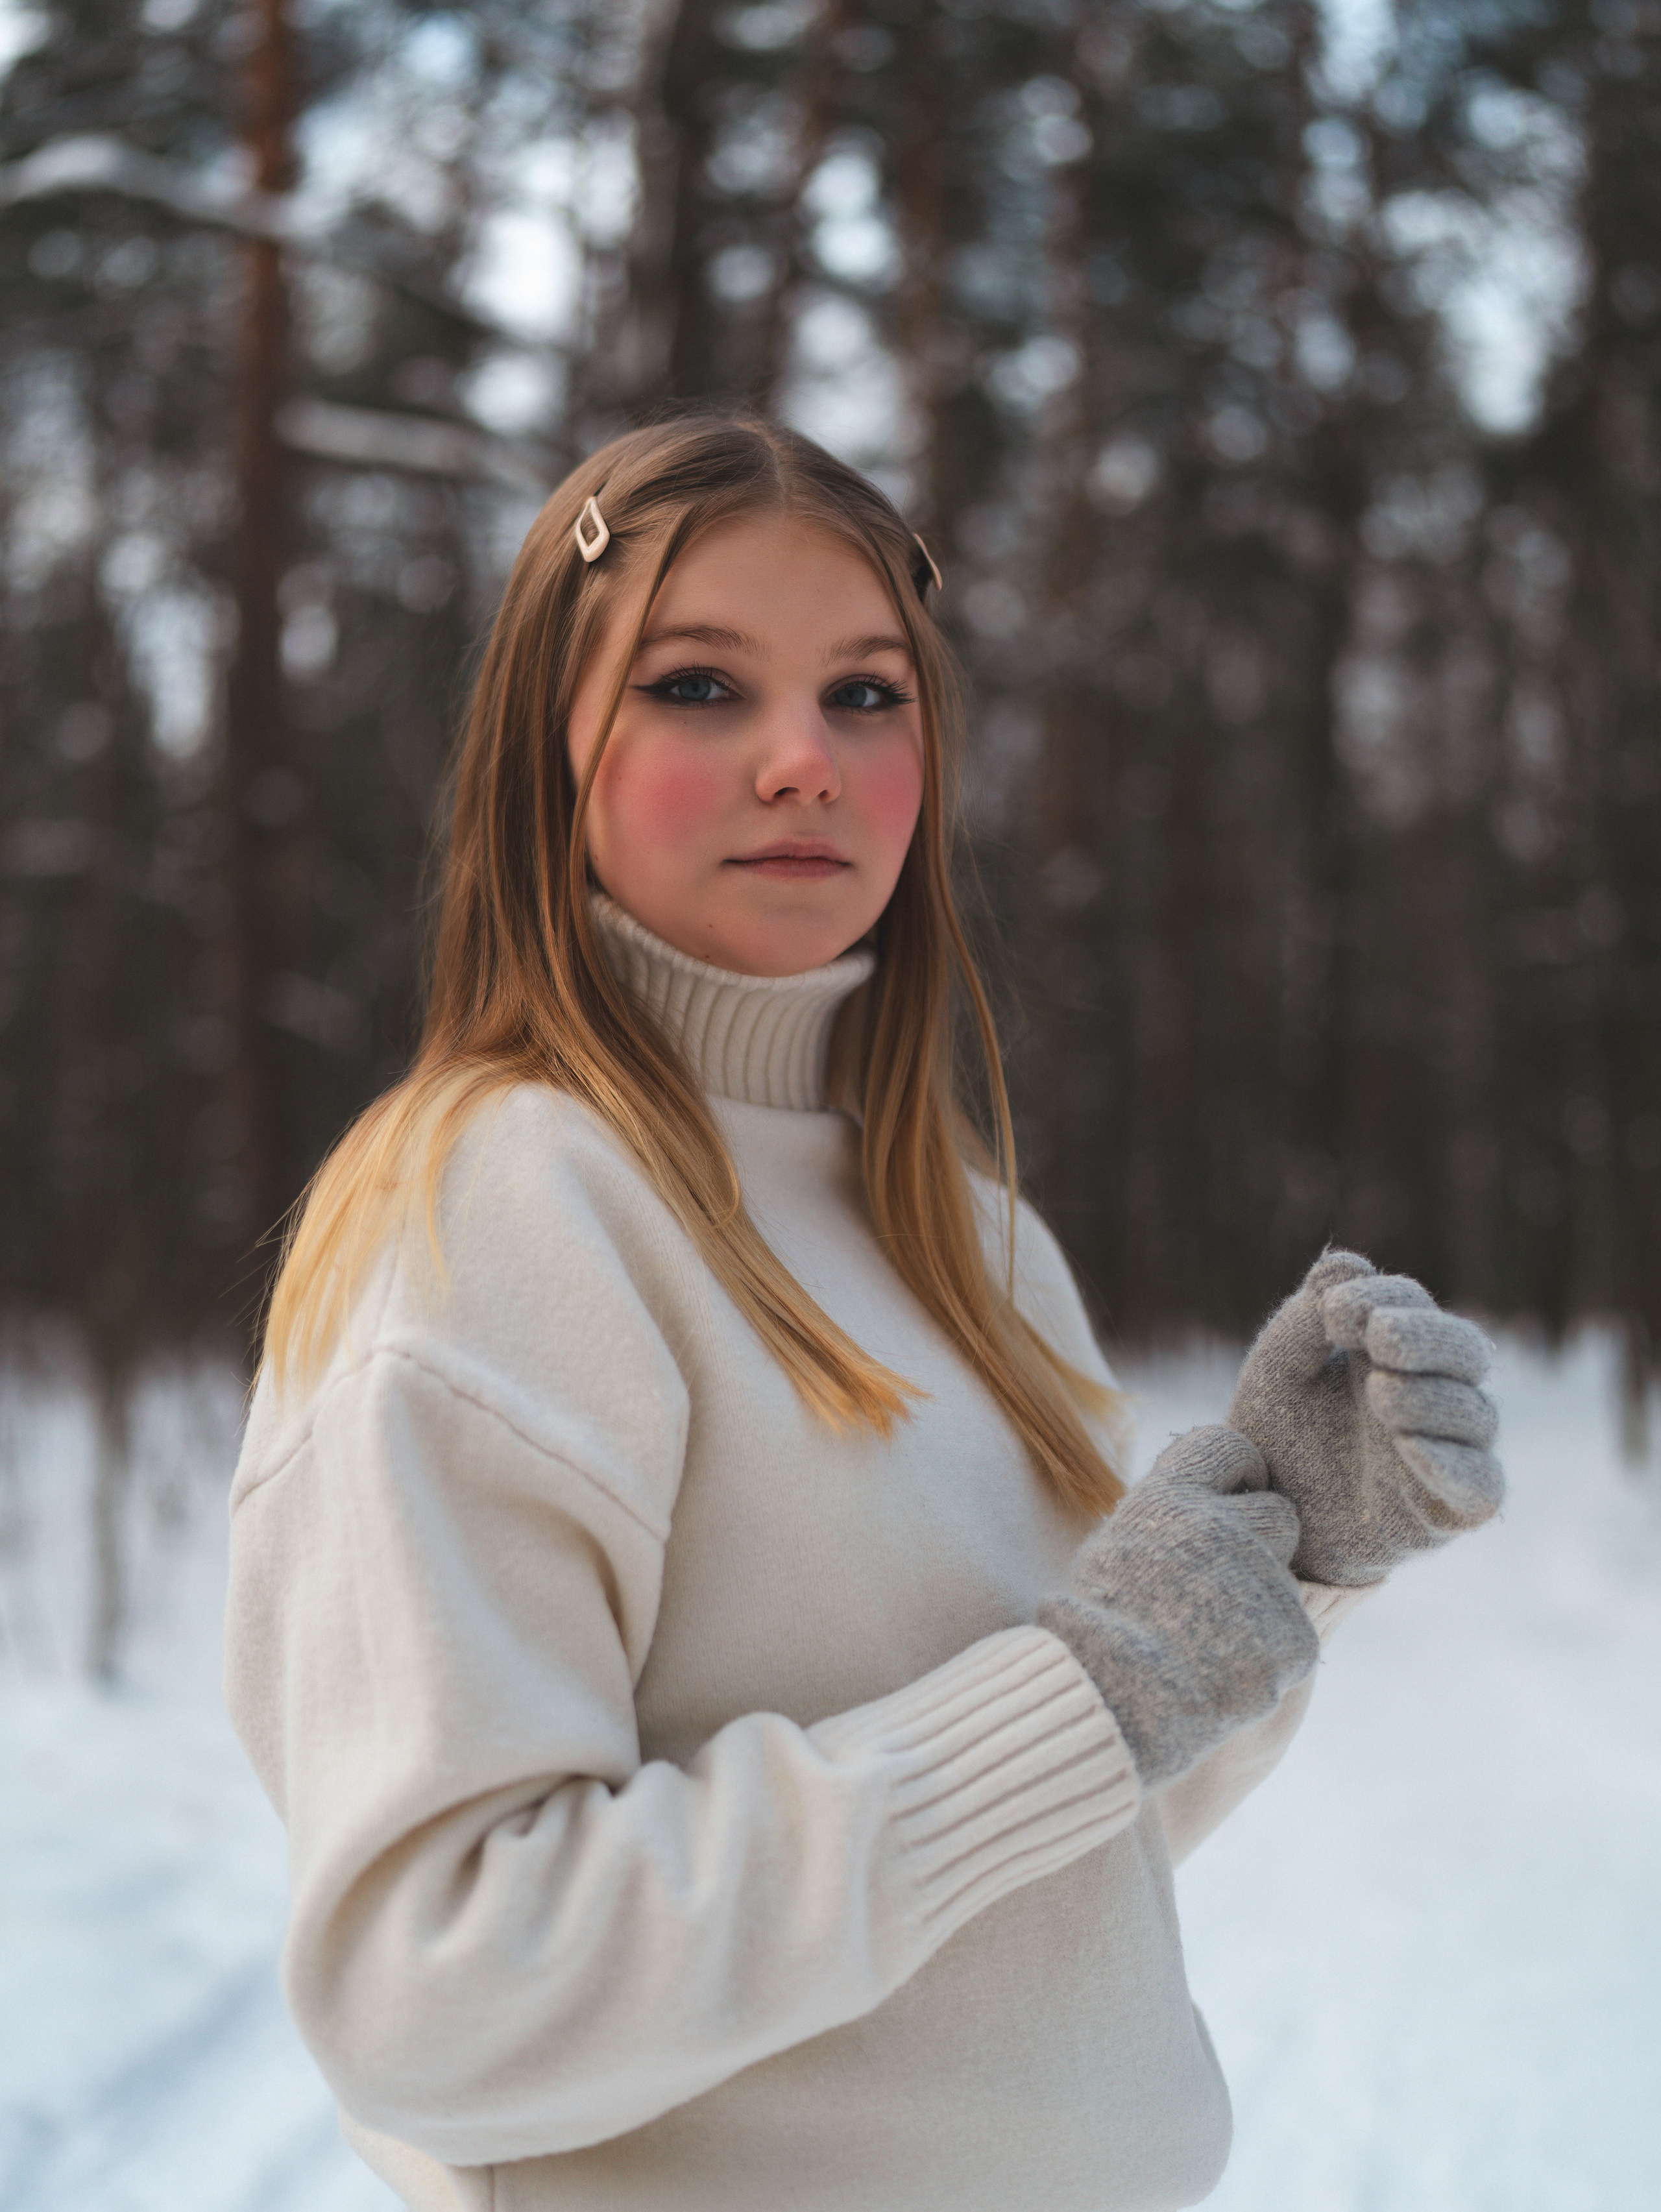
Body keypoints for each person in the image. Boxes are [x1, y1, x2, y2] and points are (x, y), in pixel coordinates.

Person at [224, 414, 1505, 2212]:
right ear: (546, 748)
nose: (803, 762)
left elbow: (1048, 1871)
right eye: (697, 686)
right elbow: (439, 1995)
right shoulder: (507, 1204)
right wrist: (1089, 1683)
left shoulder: (978, 1244)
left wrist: (1289, 1560)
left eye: (865, 695)